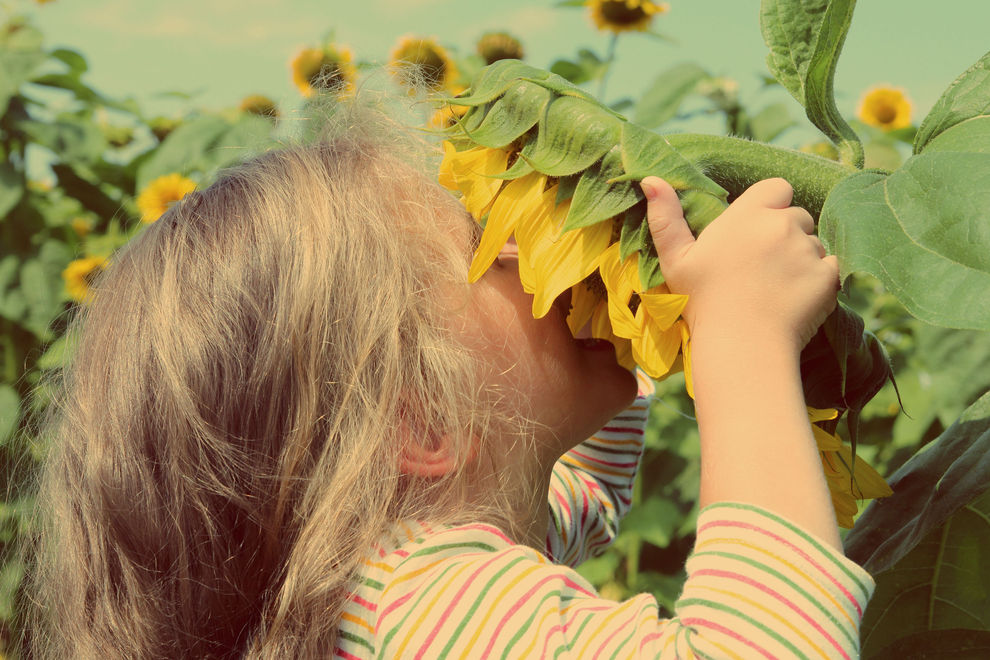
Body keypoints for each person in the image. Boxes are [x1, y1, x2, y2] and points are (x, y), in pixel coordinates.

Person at [28, 106, 872, 659]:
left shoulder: (378, 575)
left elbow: (591, 493)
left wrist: (618, 291)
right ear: (425, 419)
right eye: (490, 239)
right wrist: (744, 339)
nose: (534, 248)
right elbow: (773, 644)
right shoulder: (416, 600)